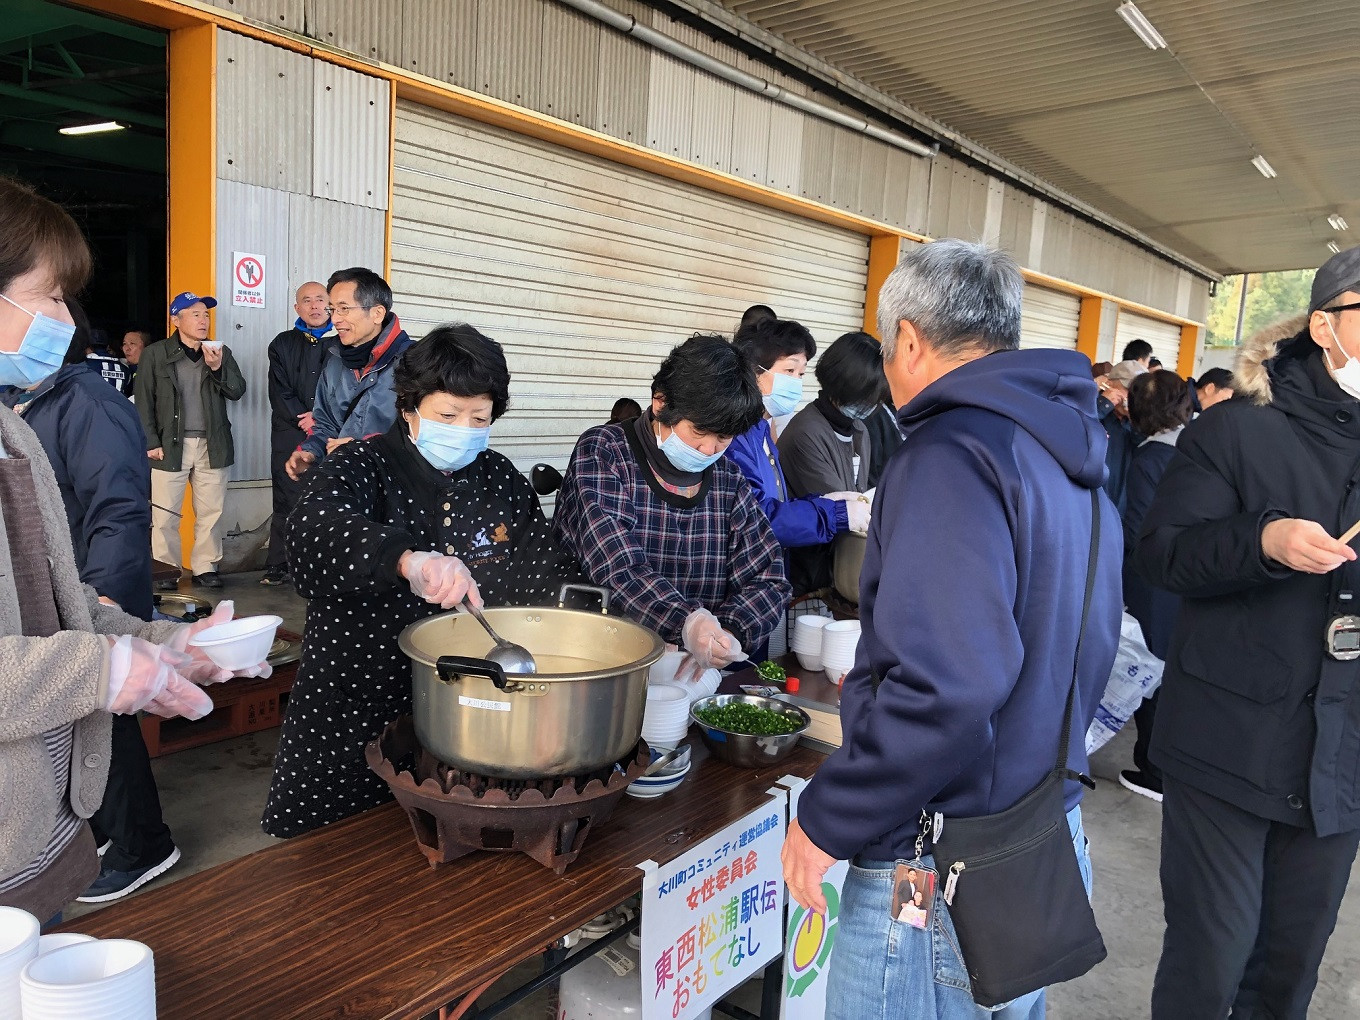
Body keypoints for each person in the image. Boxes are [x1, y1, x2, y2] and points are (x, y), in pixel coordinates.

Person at [780, 240, 1122, 1020]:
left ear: (908, 340)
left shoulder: (948, 456)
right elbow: (1092, 639)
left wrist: (828, 818)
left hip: (937, 865)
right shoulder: (1064, 451)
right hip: (1039, 836)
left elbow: (949, 686)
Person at [0, 176, 266, 923]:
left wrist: (165, 642)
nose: (66, 320)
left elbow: (59, 600)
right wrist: (104, 667)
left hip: (31, 838)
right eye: (51, 296)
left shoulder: (14, 429)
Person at [1135, 245, 1360, 1020]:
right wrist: (1263, 542)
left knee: (1287, 972)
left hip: (1342, 756)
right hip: (1227, 743)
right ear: (1325, 326)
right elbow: (1163, 555)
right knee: (1213, 959)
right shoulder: (1236, 429)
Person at [261, 324, 583, 838]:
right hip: (356, 710)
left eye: (479, 418)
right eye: (448, 415)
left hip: (468, 717)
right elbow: (311, 534)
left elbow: (546, 568)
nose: (464, 429)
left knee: (445, 853)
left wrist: (587, 635)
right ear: (408, 406)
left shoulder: (499, 477)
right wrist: (406, 561)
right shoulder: (361, 465)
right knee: (334, 858)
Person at [13, 297, 186, 901]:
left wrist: (104, 600)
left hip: (95, 589)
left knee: (106, 718)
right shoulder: (30, 404)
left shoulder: (87, 404)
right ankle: (110, 832)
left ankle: (145, 845)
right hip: (64, 593)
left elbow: (117, 508)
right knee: (81, 715)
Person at [554, 334, 789, 679]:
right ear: (661, 403)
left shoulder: (728, 477)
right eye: (699, 432)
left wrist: (723, 633)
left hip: (690, 676)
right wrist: (687, 623)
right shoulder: (605, 451)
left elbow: (768, 576)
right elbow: (617, 566)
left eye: (723, 438)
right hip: (600, 663)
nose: (709, 449)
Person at [725, 321, 868, 598]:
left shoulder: (761, 431)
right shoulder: (736, 437)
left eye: (801, 374)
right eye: (789, 371)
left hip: (766, 579)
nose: (796, 383)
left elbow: (775, 503)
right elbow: (758, 519)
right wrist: (835, 514)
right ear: (753, 371)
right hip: (742, 585)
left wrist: (825, 501)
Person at [1117, 370, 1193, 804]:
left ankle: (1155, 771)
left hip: (1153, 583)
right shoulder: (1197, 448)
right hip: (1190, 577)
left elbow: (1137, 531)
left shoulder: (1149, 460)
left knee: (1148, 670)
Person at [136, 292, 246, 589]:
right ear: (176, 319)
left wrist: (217, 367)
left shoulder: (220, 352)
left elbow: (237, 391)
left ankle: (205, 566)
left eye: (206, 315)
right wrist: (150, 442)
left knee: (211, 511)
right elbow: (143, 402)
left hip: (213, 443)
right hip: (170, 444)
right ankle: (167, 569)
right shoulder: (156, 354)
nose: (203, 320)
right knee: (165, 513)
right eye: (195, 314)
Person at [285, 267, 412, 482]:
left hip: (396, 485)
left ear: (377, 313)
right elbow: (325, 424)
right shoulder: (335, 361)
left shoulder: (415, 363)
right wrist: (310, 452)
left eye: (344, 309)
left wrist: (366, 448)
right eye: (332, 309)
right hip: (347, 482)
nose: (335, 319)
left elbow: (427, 436)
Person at [262, 282, 334, 586]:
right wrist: (303, 418)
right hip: (289, 431)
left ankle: (317, 563)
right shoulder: (282, 343)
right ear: (297, 308)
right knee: (287, 495)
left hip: (332, 430)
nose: (314, 306)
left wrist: (320, 416)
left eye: (320, 299)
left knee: (328, 496)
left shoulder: (343, 341)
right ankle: (279, 563)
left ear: (330, 305)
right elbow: (279, 390)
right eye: (307, 300)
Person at [778, 329, 882, 497]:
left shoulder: (859, 429)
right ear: (841, 382)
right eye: (865, 394)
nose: (871, 403)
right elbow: (837, 504)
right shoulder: (805, 433)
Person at [119, 329, 150, 398]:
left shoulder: (153, 372)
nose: (127, 348)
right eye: (124, 344)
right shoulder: (121, 368)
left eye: (132, 343)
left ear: (146, 348)